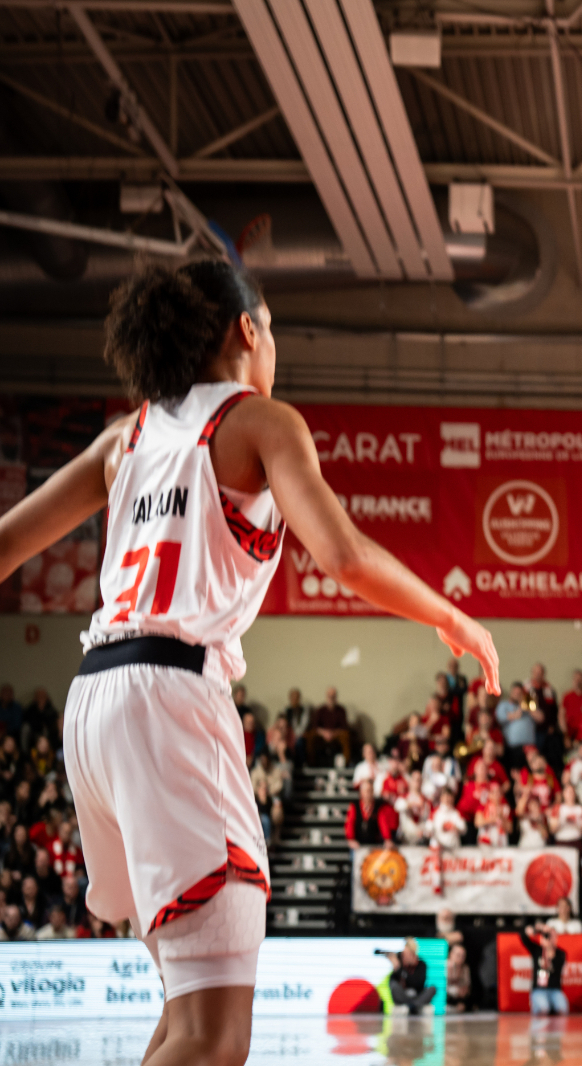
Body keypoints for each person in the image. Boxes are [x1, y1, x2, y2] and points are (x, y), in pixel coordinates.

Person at [0, 261, 499, 1066]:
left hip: (92, 703)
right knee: (215, 1038)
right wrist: (451, 615)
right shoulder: (262, 421)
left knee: (189, 1016)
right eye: (273, 330)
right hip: (167, 698)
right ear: (247, 331)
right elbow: (342, 553)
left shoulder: (124, 438)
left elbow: (6, 545)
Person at [519, 923, 569, 1015]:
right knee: (543, 1008)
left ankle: (552, 1013)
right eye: (546, 936)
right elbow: (523, 938)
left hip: (555, 990)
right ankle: (538, 1006)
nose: (548, 938)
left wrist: (549, 949)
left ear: (555, 938)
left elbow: (556, 967)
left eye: (551, 936)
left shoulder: (560, 953)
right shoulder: (537, 950)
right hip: (539, 989)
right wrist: (535, 928)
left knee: (562, 1008)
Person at [385, 938, 436, 1015]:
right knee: (393, 985)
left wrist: (401, 971)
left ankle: (412, 1006)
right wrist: (397, 968)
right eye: (404, 954)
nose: (405, 956)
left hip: (417, 996)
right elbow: (392, 982)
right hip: (403, 996)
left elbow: (417, 983)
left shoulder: (421, 965)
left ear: (413, 954)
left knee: (432, 988)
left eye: (408, 954)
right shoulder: (400, 964)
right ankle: (413, 1006)